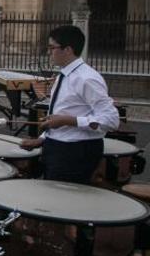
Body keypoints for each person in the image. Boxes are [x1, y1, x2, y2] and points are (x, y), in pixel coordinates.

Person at [21, 25, 119, 184]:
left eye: (51, 48)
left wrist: (67, 120)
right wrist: (42, 139)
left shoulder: (87, 78)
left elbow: (111, 120)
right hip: (57, 147)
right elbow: (62, 111)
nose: (48, 52)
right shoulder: (64, 75)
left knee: (65, 201)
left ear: (67, 49)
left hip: (76, 152)